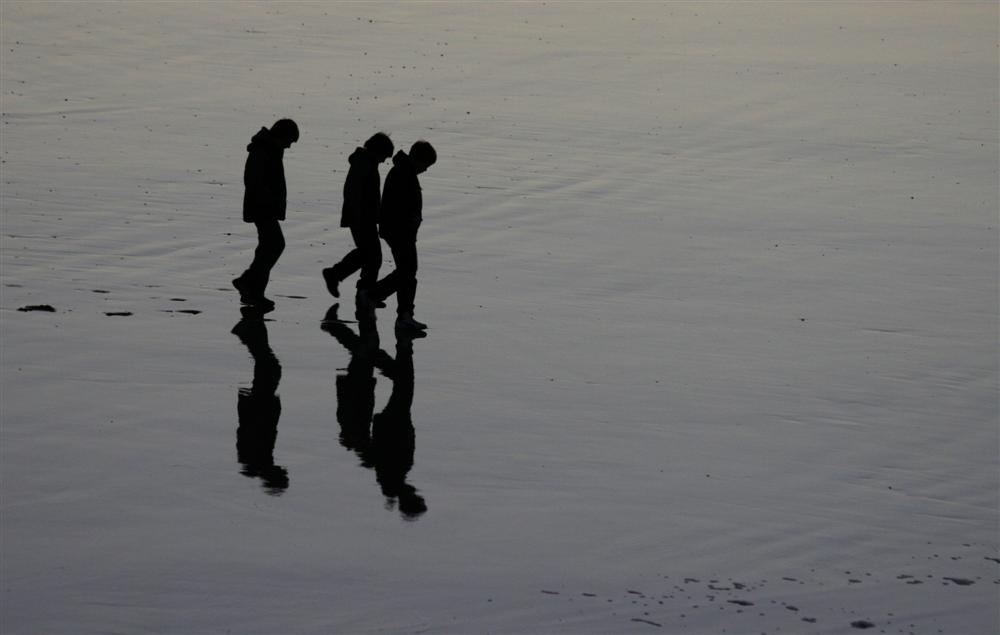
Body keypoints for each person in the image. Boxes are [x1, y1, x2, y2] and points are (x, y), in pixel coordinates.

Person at [322, 133, 394, 309]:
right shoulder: (363, 163)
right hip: (361, 217)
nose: (384, 161)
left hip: (364, 217)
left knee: (367, 254)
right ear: (377, 150)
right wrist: (356, 215)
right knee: (372, 255)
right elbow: (353, 191)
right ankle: (360, 290)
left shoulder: (367, 162)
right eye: (384, 156)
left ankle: (352, 284)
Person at [233, 119, 299, 308]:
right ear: (281, 135)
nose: (289, 146)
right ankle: (248, 282)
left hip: (265, 206)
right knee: (275, 244)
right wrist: (268, 199)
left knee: (268, 247)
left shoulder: (270, 149)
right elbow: (253, 180)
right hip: (262, 207)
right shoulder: (262, 150)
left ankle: (253, 291)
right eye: (289, 141)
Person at [371, 141, 437, 331]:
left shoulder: (404, 171)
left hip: (400, 230)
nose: (425, 170)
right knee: (407, 271)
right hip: (399, 231)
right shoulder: (403, 174)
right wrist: (411, 223)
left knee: (407, 272)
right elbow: (399, 206)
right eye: (425, 166)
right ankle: (377, 297)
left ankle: (402, 312)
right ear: (417, 159)